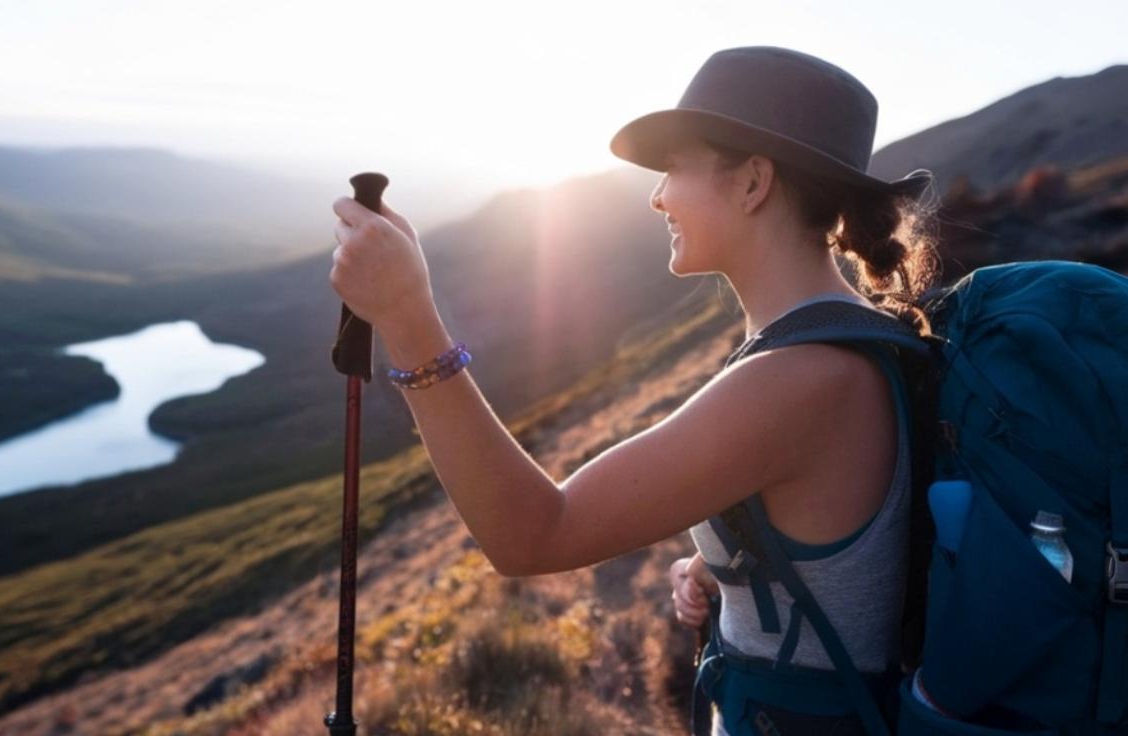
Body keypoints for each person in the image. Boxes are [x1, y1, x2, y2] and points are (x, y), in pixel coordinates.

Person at [330, 45, 940, 735]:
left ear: (752, 184)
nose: (657, 195)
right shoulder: (842, 345)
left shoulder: (801, 380)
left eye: (675, 167)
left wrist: (409, 318)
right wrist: (729, 573)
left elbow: (530, 535)